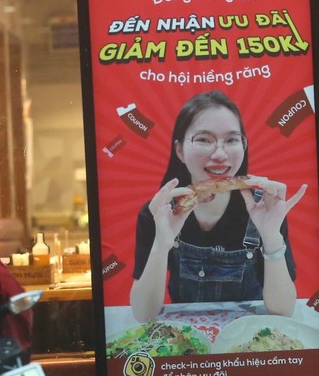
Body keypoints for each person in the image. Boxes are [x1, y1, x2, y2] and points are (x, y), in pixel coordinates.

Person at [129, 90, 307, 323]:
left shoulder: (265, 207)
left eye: (232, 140)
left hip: (247, 341)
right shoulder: (158, 213)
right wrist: (162, 244)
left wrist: (271, 235)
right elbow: (143, 314)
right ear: (180, 150)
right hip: (187, 342)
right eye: (203, 139)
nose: (220, 154)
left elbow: (283, 311)